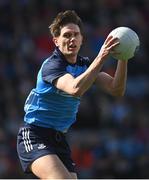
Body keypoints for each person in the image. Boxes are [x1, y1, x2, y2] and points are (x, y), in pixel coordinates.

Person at [17, 10, 128, 179]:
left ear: (82, 39)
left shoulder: (84, 65)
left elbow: (116, 89)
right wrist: (101, 57)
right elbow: (75, 88)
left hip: (59, 138)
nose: (72, 39)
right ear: (56, 41)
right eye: (67, 35)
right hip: (34, 135)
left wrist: (124, 56)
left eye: (76, 35)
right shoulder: (52, 66)